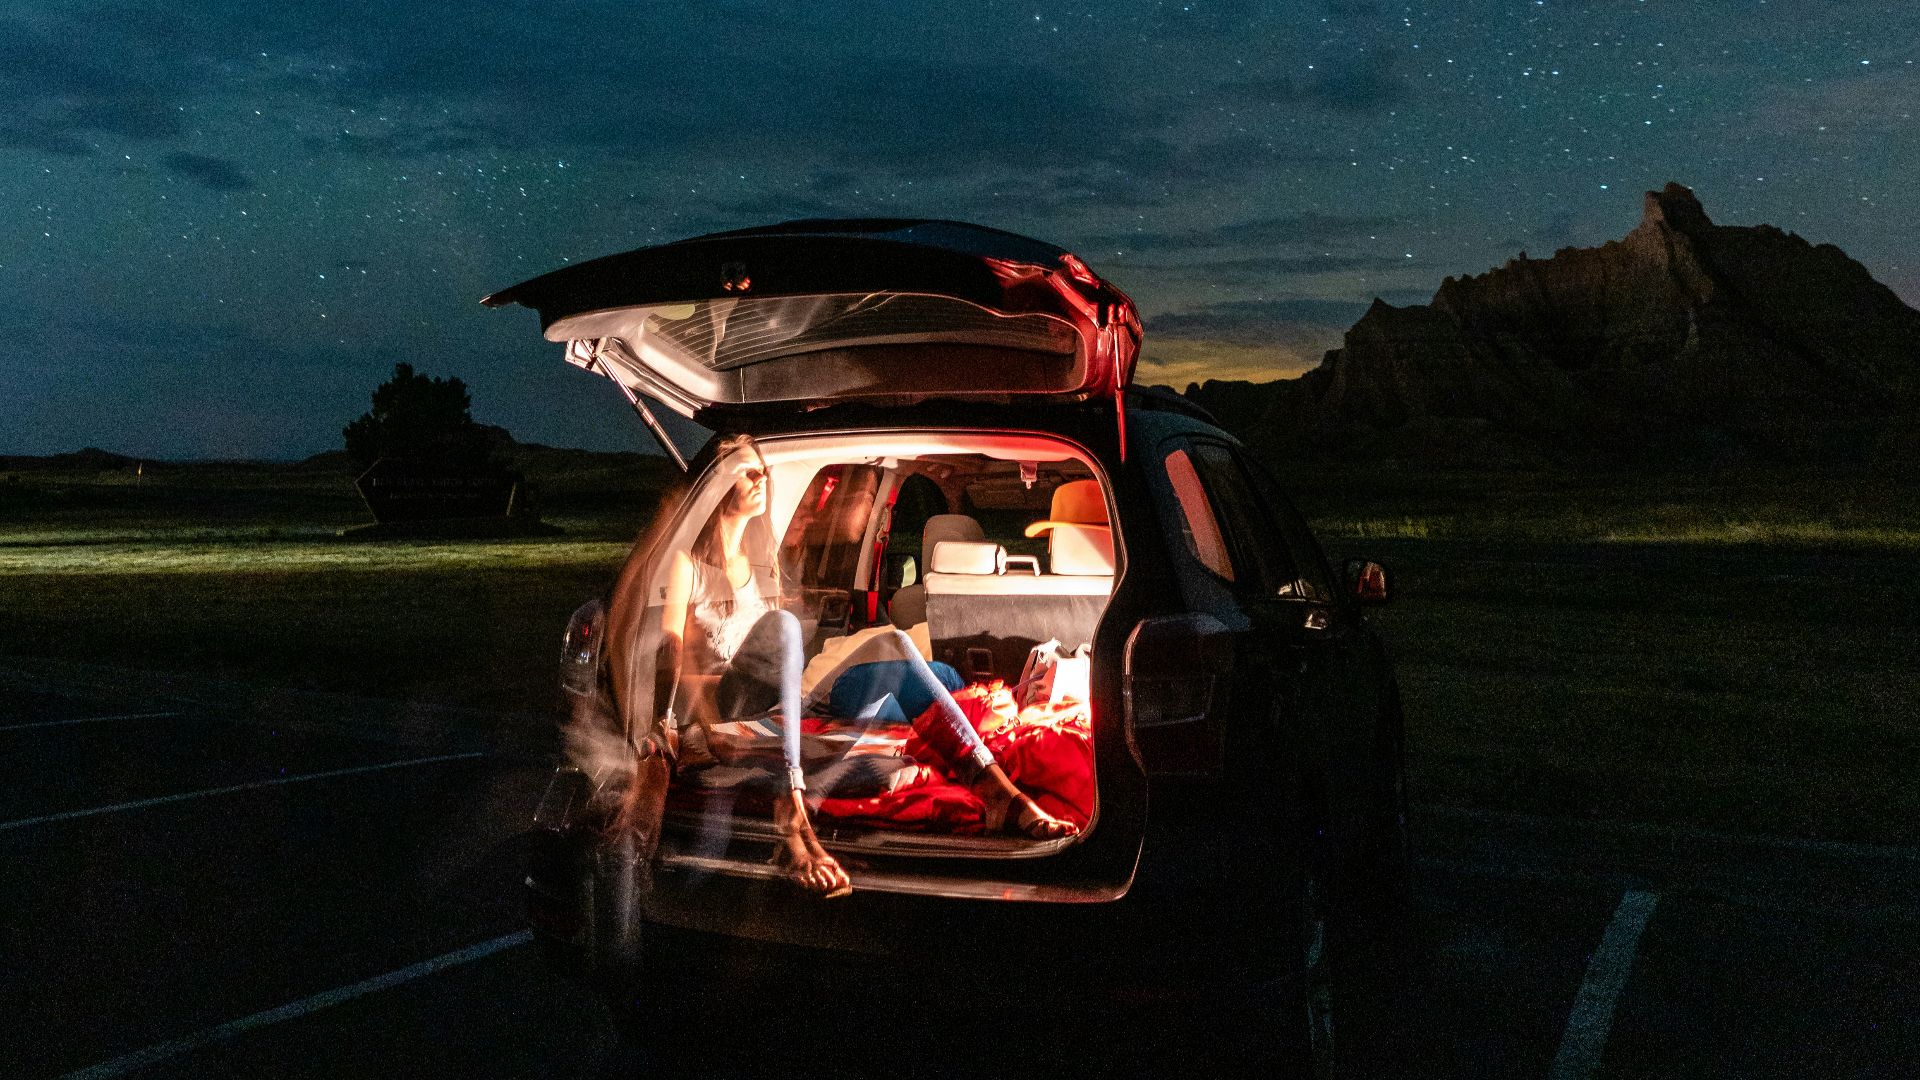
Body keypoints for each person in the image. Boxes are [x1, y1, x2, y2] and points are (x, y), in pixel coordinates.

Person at [656, 436, 1077, 898]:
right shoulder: (688, 565)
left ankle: (997, 790)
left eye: (762, 471)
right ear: (719, 485)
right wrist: (674, 721)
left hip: (790, 705)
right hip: (734, 707)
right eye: (747, 471)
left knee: (895, 643)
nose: (761, 479)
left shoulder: (761, 563)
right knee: (783, 627)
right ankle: (792, 814)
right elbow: (672, 657)